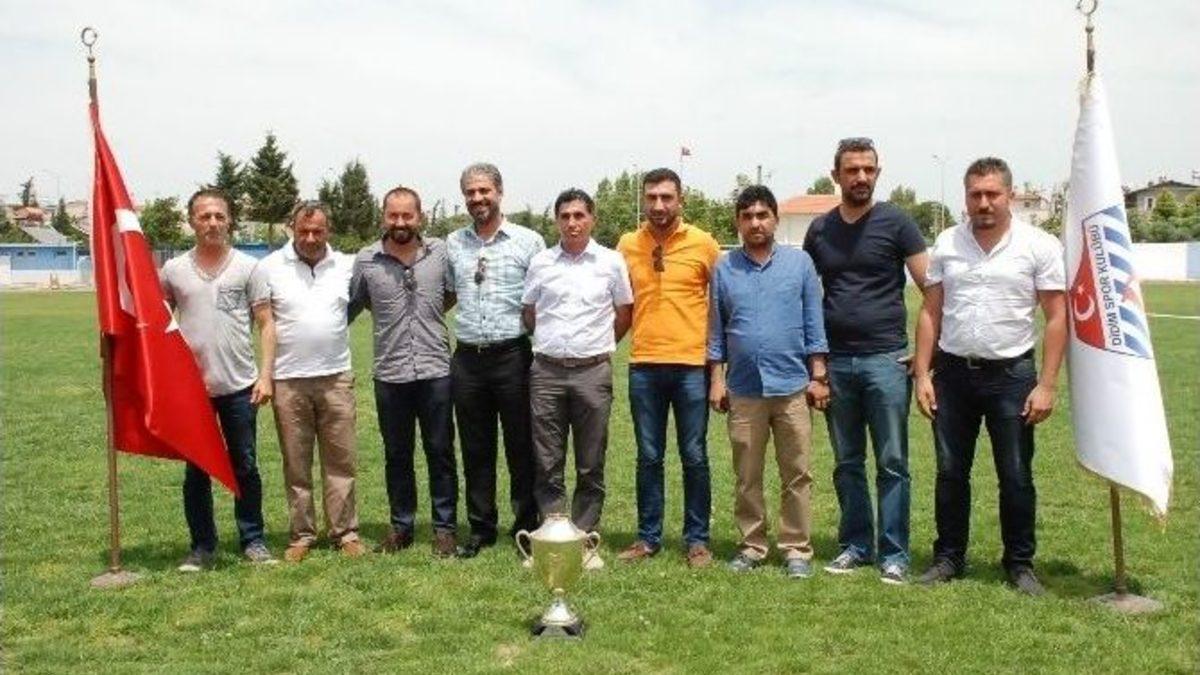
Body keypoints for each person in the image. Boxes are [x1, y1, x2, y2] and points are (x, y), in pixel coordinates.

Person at [913, 157, 1067, 596]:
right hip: (953, 375)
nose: (984, 203)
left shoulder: (1038, 245)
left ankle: (1019, 564)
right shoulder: (947, 242)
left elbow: (1057, 317)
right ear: (965, 197)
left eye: (992, 194)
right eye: (975, 194)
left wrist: (1047, 385)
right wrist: (922, 374)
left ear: (1010, 195)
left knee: (1015, 475)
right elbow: (930, 311)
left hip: (1012, 377)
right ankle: (948, 558)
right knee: (950, 472)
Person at [802, 137, 929, 584]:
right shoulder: (820, 230)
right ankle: (856, 546)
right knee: (847, 462)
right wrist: (815, 367)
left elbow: (932, 291)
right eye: (852, 170)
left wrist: (926, 356)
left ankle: (894, 553)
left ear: (878, 172)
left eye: (868, 169)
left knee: (892, 462)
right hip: (837, 364)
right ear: (835, 176)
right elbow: (806, 296)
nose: (861, 177)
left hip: (886, 361)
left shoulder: (898, 223)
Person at [708, 185, 828, 578]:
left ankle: (796, 549)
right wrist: (717, 380)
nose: (755, 223)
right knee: (747, 475)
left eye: (762, 215)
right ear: (738, 223)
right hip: (744, 389)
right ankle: (752, 545)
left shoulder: (800, 264)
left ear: (775, 219)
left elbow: (814, 323)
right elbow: (716, 331)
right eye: (747, 216)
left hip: (793, 386)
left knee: (797, 472)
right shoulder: (725, 268)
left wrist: (818, 375)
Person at [161, 188, 277, 570]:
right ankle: (202, 546)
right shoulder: (174, 270)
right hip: (193, 390)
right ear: (192, 221)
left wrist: (265, 376)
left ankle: (253, 540)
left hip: (240, 386)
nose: (212, 223)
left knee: (245, 465)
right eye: (204, 216)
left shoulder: (249, 268)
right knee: (197, 470)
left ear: (229, 221)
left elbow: (266, 323)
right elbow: (156, 323)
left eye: (219, 216)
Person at [521, 188, 633, 571]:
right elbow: (530, 312)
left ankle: (584, 541)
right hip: (547, 372)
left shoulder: (611, 262)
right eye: (565, 216)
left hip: (592, 372)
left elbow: (624, 312)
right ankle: (553, 542)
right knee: (547, 462)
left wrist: (597, 347)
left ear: (592, 219)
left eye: (579, 215)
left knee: (590, 462)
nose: (572, 223)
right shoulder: (541, 262)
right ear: (556, 221)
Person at [616, 167, 720, 568]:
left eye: (666, 197)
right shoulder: (628, 244)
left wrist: (717, 366)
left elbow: (721, 303)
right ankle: (648, 538)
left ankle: (697, 540)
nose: (658, 205)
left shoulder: (704, 243)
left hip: (692, 365)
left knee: (694, 455)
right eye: (651, 197)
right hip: (644, 365)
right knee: (648, 456)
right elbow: (619, 302)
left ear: (681, 200)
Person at [250, 201, 364, 562]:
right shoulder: (269, 267)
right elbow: (263, 322)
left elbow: (353, 306)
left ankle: (345, 532)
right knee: (296, 464)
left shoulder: (346, 265)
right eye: (304, 231)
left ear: (329, 230)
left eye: (318, 231)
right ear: (292, 229)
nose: (311, 238)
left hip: (336, 378)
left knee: (341, 461)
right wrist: (266, 375)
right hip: (288, 381)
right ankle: (302, 535)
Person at [349, 186, 458, 558]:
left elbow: (450, 294)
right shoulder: (367, 260)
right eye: (393, 215)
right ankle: (402, 526)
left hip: (435, 369)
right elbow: (356, 303)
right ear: (383, 216)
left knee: (440, 452)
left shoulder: (439, 253)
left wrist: (428, 317)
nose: (400, 222)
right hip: (390, 372)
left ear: (419, 216)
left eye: (407, 215)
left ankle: (444, 529)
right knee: (397, 454)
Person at [445, 163, 545, 559]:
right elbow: (448, 293)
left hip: (512, 356)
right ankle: (481, 528)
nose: (477, 198)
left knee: (522, 447)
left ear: (499, 192)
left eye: (484, 190)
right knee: (475, 448)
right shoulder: (454, 243)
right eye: (470, 192)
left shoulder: (528, 241)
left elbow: (542, 296)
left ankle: (526, 527)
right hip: (468, 358)